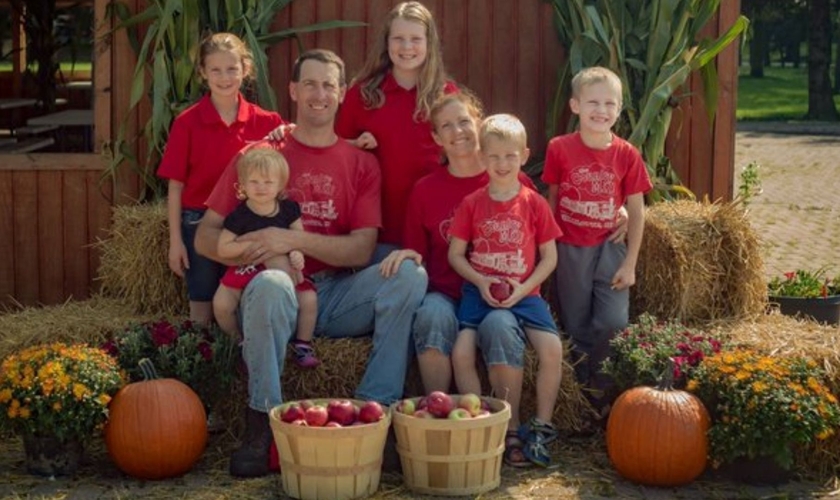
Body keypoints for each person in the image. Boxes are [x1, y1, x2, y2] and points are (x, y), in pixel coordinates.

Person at [195, 49, 427, 478]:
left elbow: (360, 250)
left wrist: (289, 237)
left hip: (336, 296)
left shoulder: (361, 162)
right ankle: (261, 423)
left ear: (341, 94)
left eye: (329, 85)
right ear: (293, 90)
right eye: (310, 84)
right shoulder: (260, 157)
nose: (319, 94)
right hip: (275, 296)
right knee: (270, 285)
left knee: (412, 276)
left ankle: (375, 416)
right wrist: (255, 250)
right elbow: (205, 235)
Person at [378, 91, 535, 396]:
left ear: (479, 124)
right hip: (446, 293)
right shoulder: (425, 190)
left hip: (498, 296)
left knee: (501, 327)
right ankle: (441, 412)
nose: (458, 131)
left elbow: (542, 239)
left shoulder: (512, 181)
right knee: (431, 317)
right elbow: (417, 254)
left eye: (464, 121)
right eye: (446, 126)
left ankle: (505, 426)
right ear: (437, 138)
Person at [446, 113, 564, 468]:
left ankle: (542, 425)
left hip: (525, 294)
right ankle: (484, 422)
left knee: (553, 349)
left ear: (524, 155)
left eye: (510, 156)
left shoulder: (534, 203)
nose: (502, 163)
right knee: (462, 352)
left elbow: (549, 257)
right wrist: (480, 281)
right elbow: (455, 254)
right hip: (480, 293)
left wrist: (526, 287)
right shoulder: (472, 203)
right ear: (482, 157)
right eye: (494, 156)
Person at [541, 66, 652, 409]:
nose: (600, 111)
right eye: (592, 102)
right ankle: (581, 398)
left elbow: (637, 210)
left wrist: (631, 262)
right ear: (575, 105)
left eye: (609, 104)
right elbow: (552, 199)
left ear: (619, 110)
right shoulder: (559, 148)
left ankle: (604, 391)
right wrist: (546, 249)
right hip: (571, 246)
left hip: (611, 247)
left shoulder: (626, 154)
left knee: (613, 322)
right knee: (576, 323)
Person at [157, 32, 285, 324]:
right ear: (203, 73)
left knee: (242, 304)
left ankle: (239, 363)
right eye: (215, 70)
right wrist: (175, 242)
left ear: (246, 69)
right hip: (198, 222)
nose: (224, 77)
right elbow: (175, 186)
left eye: (232, 69)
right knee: (201, 306)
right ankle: (203, 365)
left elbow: (299, 151)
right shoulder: (187, 122)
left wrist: (283, 135)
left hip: (249, 222)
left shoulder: (267, 122)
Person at [335, 1, 456, 258]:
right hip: (375, 232)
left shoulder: (446, 97)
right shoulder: (362, 94)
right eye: (398, 38)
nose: (407, 47)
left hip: (434, 230)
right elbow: (336, 153)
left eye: (415, 39)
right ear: (386, 43)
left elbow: (466, 159)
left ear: (429, 43)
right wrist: (356, 145)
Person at [212, 147, 320, 368]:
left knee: (309, 300)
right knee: (221, 304)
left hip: (284, 268)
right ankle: (240, 342)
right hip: (250, 266)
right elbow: (223, 248)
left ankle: (302, 345)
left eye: (268, 182)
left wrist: (297, 253)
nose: (261, 188)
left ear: (280, 185)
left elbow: (299, 238)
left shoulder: (289, 209)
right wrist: (252, 246)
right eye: (254, 182)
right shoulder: (239, 215)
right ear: (242, 184)